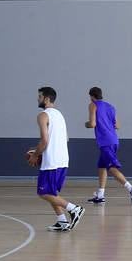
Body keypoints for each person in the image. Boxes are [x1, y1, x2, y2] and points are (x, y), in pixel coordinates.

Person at [28, 87, 85, 232]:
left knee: (43, 193)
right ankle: (62, 221)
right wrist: (40, 151)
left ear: (46, 99)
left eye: (39, 96)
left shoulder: (43, 115)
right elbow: (65, 138)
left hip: (52, 162)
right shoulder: (59, 115)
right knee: (52, 193)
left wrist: (35, 155)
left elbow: (45, 140)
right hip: (62, 159)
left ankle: (74, 209)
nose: (37, 99)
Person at [85, 87, 132, 205]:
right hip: (113, 140)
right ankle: (100, 195)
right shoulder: (110, 107)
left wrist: (86, 124)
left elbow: (92, 123)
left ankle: (131, 188)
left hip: (106, 142)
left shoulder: (93, 105)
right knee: (102, 167)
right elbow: (117, 125)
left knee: (111, 168)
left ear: (91, 96)